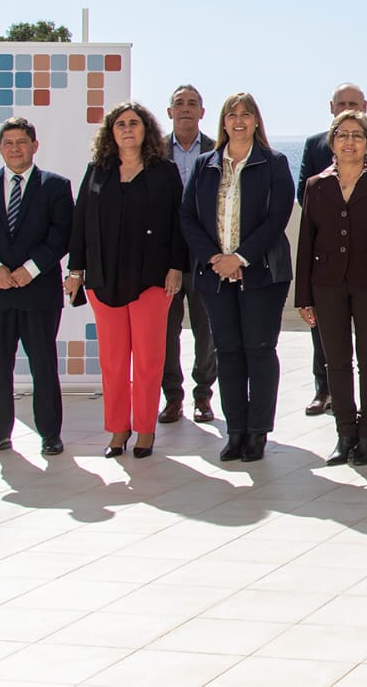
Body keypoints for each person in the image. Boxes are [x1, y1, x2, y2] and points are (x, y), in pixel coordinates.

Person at [66, 103, 186, 459]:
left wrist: (176, 266)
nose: (128, 129)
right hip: (104, 278)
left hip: (152, 277)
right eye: (121, 124)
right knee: (114, 361)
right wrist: (76, 271)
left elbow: (178, 222)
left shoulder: (164, 172)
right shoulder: (96, 172)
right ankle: (118, 430)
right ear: (111, 132)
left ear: (146, 130)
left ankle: (145, 430)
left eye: (135, 123)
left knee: (149, 359)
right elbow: (80, 223)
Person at [180, 92, 295, 463]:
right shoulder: (204, 164)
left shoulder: (274, 163)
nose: (239, 120)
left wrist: (241, 257)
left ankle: (258, 432)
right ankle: (235, 431)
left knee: (259, 351)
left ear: (257, 121)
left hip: (261, 274)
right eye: (233, 114)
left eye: (247, 114)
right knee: (228, 353)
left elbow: (277, 219)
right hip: (214, 275)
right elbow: (187, 218)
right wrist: (214, 258)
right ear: (223, 122)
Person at [296, 110, 367, 468]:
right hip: (326, 286)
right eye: (342, 135)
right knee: (336, 362)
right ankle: (345, 433)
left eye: (357, 135)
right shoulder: (316, 185)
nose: (349, 142)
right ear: (332, 141)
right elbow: (305, 243)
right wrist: (304, 298)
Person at [0, 117, 74, 458]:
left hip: (38, 293)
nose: (14, 148)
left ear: (34, 146)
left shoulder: (55, 186)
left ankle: (50, 435)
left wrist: (31, 269)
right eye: (8, 142)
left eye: (21, 141)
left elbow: (61, 234)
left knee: (43, 365)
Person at [161, 84, 217, 425]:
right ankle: (172, 397)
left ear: (202, 112)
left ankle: (203, 396)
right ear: (169, 112)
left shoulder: (216, 149)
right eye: (179, 104)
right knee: (166, 332)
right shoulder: (153, 150)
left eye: (192, 103)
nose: (185, 109)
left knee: (205, 330)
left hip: (204, 254)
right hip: (165, 255)